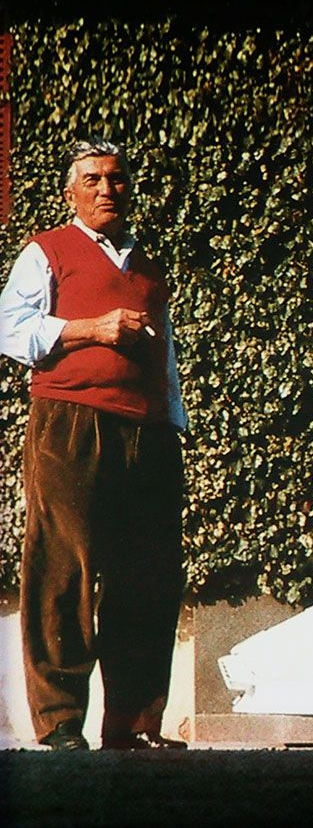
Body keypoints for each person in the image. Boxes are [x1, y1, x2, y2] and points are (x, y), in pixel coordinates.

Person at [0, 138, 188, 750]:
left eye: (116, 178)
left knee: (147, 576)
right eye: (92, 179)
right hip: (71, 423)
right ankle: (59, 723)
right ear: (70, 190)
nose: (106, 189)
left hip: (149, 432)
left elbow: (168, 359)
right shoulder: (47, 251)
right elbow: (9, 327)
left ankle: (133, 727)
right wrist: (92, 329)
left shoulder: (149, 267)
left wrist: (172, 422)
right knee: (64, 569)